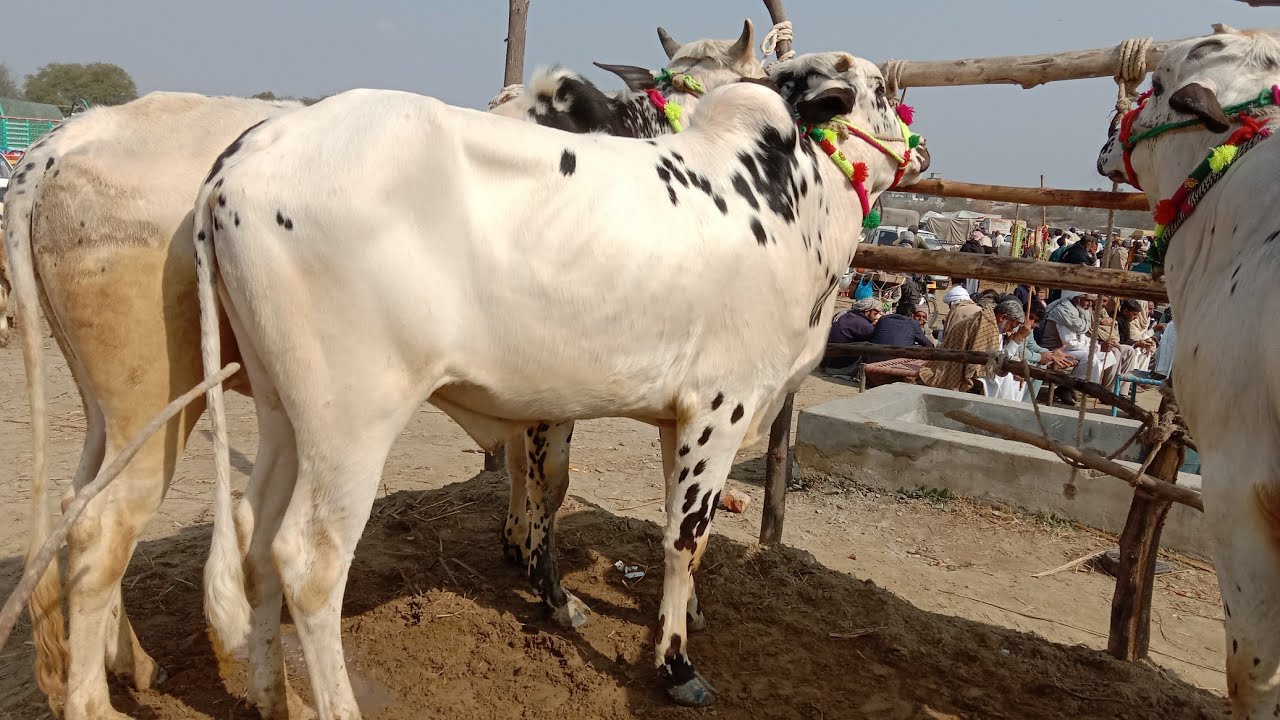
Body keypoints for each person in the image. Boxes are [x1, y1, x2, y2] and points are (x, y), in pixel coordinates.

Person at [918, 298, 1025, 394]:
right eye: (1012, 325)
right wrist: (1018, 338)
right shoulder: (986, 326)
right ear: (1003, 317)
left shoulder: (990, 321)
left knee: (1012, 381)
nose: (1011, 330)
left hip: (957, 361)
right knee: (1005, 383)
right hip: (952, 367)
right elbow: (979, 368)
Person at [1039, 291, 1120, 405]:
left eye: (1092, 301)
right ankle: (1068, 387)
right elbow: (1070, 342)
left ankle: (1069, 387)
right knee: (1089, 357)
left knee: (1108, 354)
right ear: (1077, 299)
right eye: (1087, 300)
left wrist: (1098, 346)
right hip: (1056, 349)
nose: (1090, 304)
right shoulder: (1064, 312)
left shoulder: (1078, 311)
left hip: (1070, 348)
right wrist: (1098, 346)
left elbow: (1081, 337)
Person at [821, 299, 881, 371]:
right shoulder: (861, 323)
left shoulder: (847, 314)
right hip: (838, 364)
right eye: (876, 313)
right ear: (867, 311)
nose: (877, 315)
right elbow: (877, 336)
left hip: (827, 359)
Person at [868, 298, 934, 349]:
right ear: (912, 315)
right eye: (917, 316)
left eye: (924, 317)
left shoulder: (883, 319)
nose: (921, 319)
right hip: (897, 360)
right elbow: (929, 345)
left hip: (874, 356)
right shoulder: (913, 324)